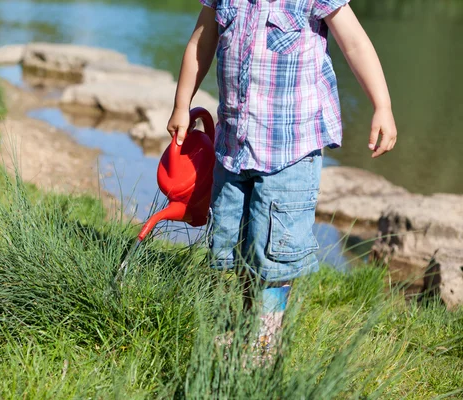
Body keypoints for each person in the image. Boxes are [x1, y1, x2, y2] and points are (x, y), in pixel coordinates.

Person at [167, 0, 397, 350]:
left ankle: (263, 345)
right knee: (233, 245)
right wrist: (182, 104)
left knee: (274, 256)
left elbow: (356, 43)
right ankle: (240, 329)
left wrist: (382, 106)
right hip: (234, 147)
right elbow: (201, 41)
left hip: (291, 148)